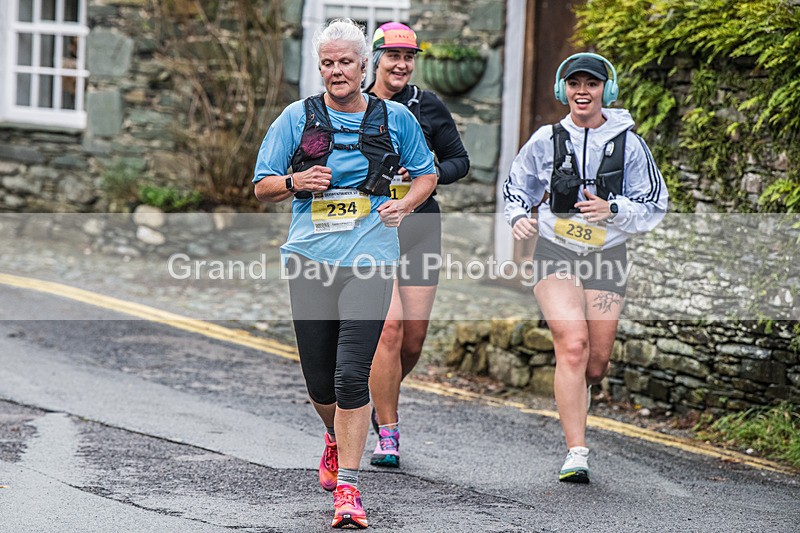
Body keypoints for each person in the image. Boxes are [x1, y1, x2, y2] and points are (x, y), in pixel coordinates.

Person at [253, 18, 436, 529]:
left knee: (351, 373)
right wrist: (296, 180)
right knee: (320, 381)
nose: (337, 71)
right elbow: (262, 186)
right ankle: (334, 436)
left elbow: (427, 174)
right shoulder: (296, 117)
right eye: (328, 63)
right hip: (310, 260)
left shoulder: (395, 118)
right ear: (321, 68)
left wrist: (405, 205)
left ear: (364, 65)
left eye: (346, 62)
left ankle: (349, 490)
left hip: (370, 259)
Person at [503, 53, 667, 483]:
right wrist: (518, 216)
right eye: (574, 83)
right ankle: (576, 451)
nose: (582, 91)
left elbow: (654, 203)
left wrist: (612, 209)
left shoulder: (631, 145)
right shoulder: (546, 139)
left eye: (591, 84)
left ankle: (580, 391)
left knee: (595, 364)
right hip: (555, 251)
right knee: (573, 345)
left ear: (605, 91)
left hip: (606, 256)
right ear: (563, 90)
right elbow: (517, 187)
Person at [365, 22, 470, 468]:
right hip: (372, 230)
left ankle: (381, 393)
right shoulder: (355, 105)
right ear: (376, 60)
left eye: (408, 57)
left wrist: (428, 175)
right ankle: (388, 431)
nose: (401, 65)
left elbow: (460, 161)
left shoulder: (428, 106)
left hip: (421, 227)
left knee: (412, 341)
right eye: (393, 56)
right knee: (387, 329)